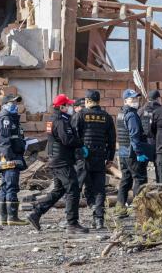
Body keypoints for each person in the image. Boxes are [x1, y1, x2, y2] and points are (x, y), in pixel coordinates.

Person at [27, 94, 89, 234]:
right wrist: (81, 144)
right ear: (61, 107)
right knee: (73, 189)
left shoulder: (54, 119)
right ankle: (72, 223)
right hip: (62, 161)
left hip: (57, 160)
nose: (70, 107)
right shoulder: (61, 121)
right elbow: (67, 140)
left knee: (59, 190)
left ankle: (36, 213)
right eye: (67, 105)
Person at [71, 90, 116, 229]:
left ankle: (73, 220)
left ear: (87, 100)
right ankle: (99, 220)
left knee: (76, 188)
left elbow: (73, 136)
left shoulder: (80, 115)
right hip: (100, 157)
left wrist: (74, 155)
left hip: (83, 157)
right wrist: (110, 158)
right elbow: (112, 140)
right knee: (99, 188)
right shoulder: (106, 117)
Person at [116, 89, 150, 215]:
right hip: (133, 153)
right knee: (140, 180)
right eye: (132, 99)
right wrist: (139, 152)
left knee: (126, 179)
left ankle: (120, 209)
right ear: (125, 101)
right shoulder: (132, 115)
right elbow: (134, 136)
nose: (135, 101)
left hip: (123, 152)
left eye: (136, 99)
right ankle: (140, 210)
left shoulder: (121, 113)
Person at [0, 94, 28, 226]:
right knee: (11, 187)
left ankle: (4, 218)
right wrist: (10, 158)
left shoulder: (12, 118)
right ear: (5, 104)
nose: (15, 105)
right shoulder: (5, 118)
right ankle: (12, 218)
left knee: (5, 187)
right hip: (11, 156)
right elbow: (4, 140)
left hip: (13, 154)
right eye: (12, 103)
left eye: (16, 103)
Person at [139, 90, 161, 181]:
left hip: (144, 143)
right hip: (158, 143)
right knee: (159, 169)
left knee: (142, 170)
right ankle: (161, 189)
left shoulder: (140, 110)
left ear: (148, 99)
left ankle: (142, 191)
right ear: (158, 99)